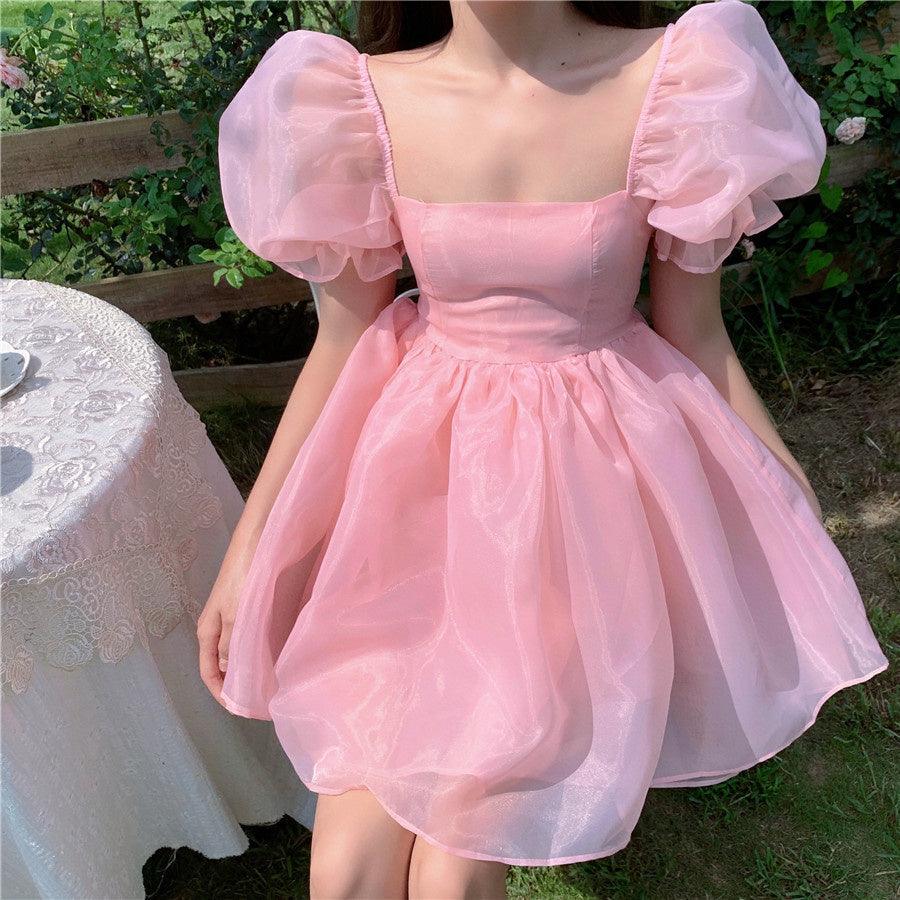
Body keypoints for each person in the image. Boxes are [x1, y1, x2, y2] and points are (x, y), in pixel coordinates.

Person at [198, 2, 890, 898]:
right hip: (416, 496)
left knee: (453, 874)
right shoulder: (353, 104)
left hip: (577, 504)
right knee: (344, 871)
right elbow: (342, 345)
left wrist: (780, 495)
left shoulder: (677, 85)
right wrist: (251, 547)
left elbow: (696, 333)